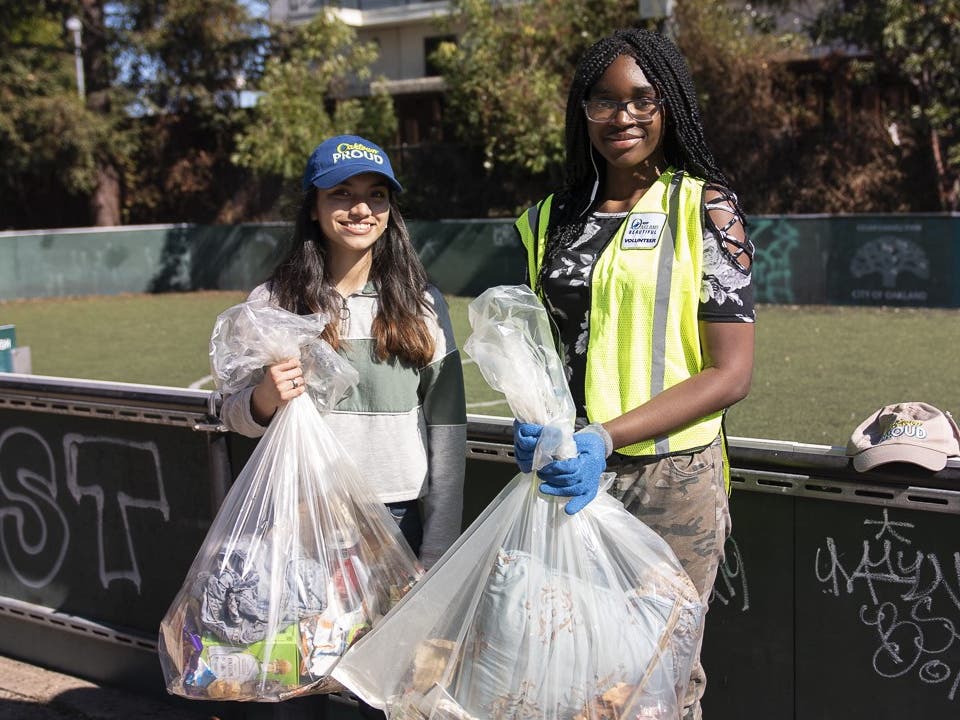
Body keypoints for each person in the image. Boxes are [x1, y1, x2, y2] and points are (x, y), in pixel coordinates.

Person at [512, 28, 755, 720]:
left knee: (658, 682)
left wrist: (604, 438)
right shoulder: (547, 220)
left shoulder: (703, 208)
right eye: (605, 100)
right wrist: (533, 430)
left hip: (670, 484)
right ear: (582, 110)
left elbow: (731, 373)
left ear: (670, 105)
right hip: (566, 479)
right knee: (570, 670)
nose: (624, 116)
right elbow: (539, 352)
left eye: (644, 99)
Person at [219, 134, 467, 719]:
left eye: (376, 195)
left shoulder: (422, 304)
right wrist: (260, 399)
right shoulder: (274, 301)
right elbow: (228, 413)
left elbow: (447, 428)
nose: (361, 208)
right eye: (343, 193)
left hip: (396, 526)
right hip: (299, 529)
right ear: (313, 205)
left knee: (374, 699)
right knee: (296, 691)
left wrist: (438, 546)